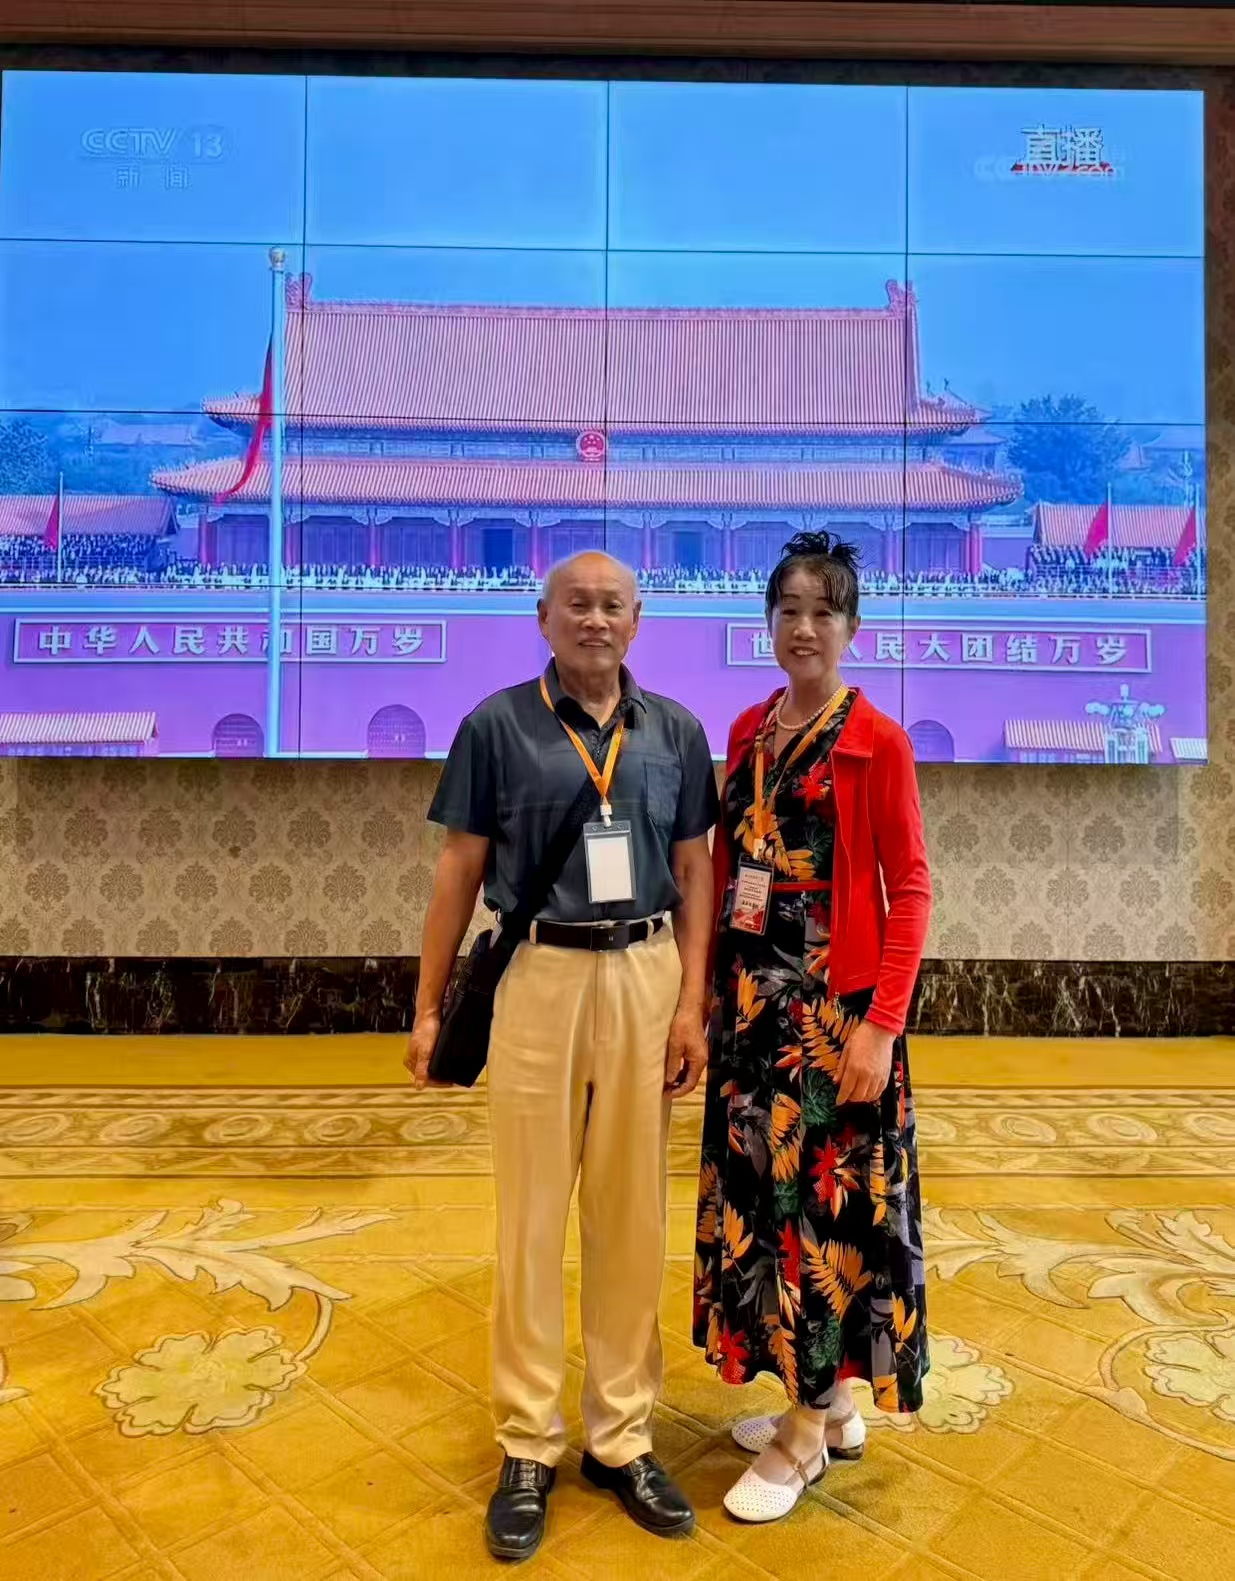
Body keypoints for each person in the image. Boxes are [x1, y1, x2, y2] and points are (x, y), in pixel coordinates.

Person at [405, 551, 718, 1563]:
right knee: (531, 1216)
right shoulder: (495, 726)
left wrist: (692, 1005)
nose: (594, 619)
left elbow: (694, 871)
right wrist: (426, 1006)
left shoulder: (676, 732)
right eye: (575, 604)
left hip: (646, 975)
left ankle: (621, 1435)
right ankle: (528, 1441)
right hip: (538, 977)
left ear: (638, 620)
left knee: (631, 1215)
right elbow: (457, 870)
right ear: (542, 618)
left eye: (611, 605)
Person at [693, 531, 932, 1524]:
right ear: (767, 622)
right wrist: (706, 998)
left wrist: (880, 1026)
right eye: (787, 609)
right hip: (753, 1012)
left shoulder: (877, 740)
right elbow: (724, 870)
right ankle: (827, 1404)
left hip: (835, 1024)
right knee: (763, 1207)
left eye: (822, 611)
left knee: (822, 1223)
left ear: (851, 626)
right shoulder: (746, 729)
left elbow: (910, 888)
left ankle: (800, 1437)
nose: (803, 627)